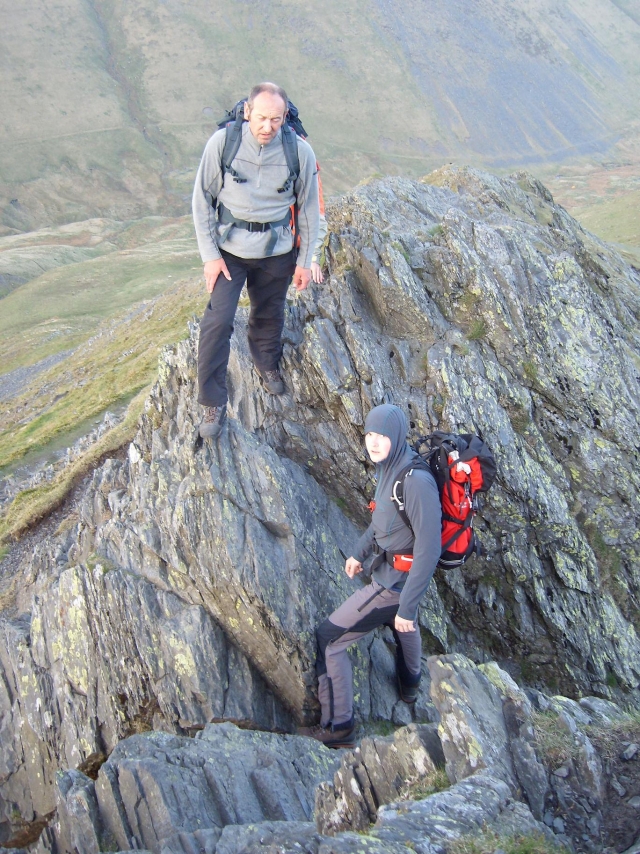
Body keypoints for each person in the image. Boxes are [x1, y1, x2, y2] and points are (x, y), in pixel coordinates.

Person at [303, 404, 441, 748]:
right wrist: (358, 553)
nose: (374, 442)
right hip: (394, 577)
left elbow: (430, 549)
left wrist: (407, 606)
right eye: (369, 435)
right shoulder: (392, 467)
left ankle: (339, 726)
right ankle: (410, 685)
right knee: (401, 624)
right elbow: (383, 520)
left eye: (382, 436)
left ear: (396, 436)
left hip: (393, 585)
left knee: (328, 639)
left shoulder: (416, 482)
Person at [192, 82, 320, 439]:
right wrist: (210, 256)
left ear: (285, 117)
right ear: (247, 112)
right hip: (229, 251)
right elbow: (202, 199)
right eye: (261, 118)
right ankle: (213, 401)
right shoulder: (223, 143)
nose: (268, 126)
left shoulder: (299, 151)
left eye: (276, 119)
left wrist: (305, 261)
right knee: (218, 323)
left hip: (277, 250)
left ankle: (266, 365)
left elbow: (309, 209)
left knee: (270, 313)